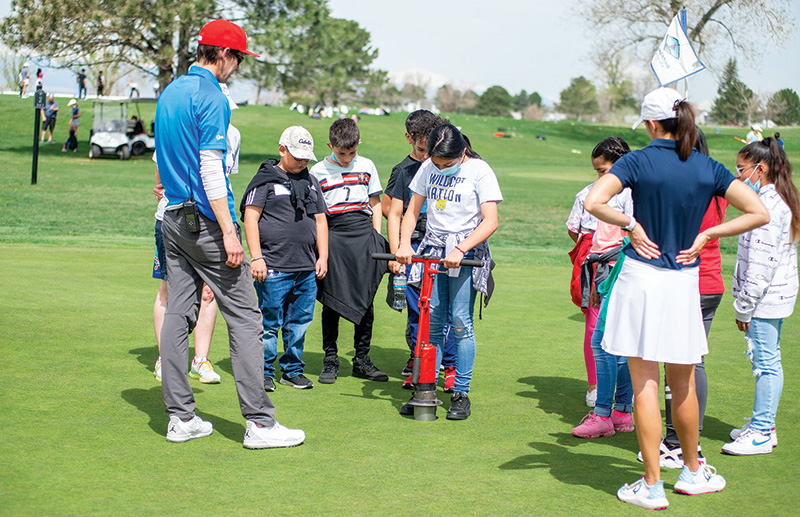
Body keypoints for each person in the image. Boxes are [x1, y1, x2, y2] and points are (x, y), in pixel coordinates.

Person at [584, 87, 768, 510]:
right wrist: (708, 235)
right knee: (681, 381)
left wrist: (631, 225)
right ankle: (691, 470)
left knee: (646, 381)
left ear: (651, 124)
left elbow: (595, 201)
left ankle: (652, 484)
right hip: (684, 281)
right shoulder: (709, 166)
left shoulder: (636, 160)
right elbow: (760, 212)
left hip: (640, 277)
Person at [154, 18, 304, 448]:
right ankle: (259, 422)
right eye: (237, 57)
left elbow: (166, 153)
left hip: (172, 218)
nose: (237, 66)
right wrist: (229, 231)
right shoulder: (212, 97)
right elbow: (210, 170)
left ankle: (181, 417)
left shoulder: (171, 91)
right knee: (246, 316)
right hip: (204, 220)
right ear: (222, 54)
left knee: (179, 310)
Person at [396, 124, 503, 421]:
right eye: (437, 163)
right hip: (432, 251)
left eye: (447, 164)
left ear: (462, 153)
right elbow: (412, 211)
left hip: (465, 252)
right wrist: (405, 243)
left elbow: (490, 220)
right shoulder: (428, 167)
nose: (440, 168)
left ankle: (461, 392)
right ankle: (426, 388)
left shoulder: (480, 171)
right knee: (432, 320)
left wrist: (461, 249)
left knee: (460, 321)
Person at [645, 128, 728, 468]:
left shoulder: (690, 182)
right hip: (710, 280)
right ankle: (681, 442)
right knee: (691, 362)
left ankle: (678, 443)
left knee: (680, 365)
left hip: (686, 280)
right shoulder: (716, 178)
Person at [722, 137, 799, 456]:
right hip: (774, 296)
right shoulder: (779, 197)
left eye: (741, 170)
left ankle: (762, 430)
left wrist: (744, 307)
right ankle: (763, 423)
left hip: (766, 298)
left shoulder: (767, 205)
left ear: (760, 169)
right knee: (767, 359)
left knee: (766, 362)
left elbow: (761, 265)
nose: (738, 177)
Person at [242, 126, 328, 392]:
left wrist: (323, 255)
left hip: (306, 266)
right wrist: (256, 258)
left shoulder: (311, 182)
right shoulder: (266, 180)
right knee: (269, 322)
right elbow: (250, 217)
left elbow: (321, 220)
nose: (302, 161)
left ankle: (292, 370)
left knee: (300, 322)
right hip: (273, 267)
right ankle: (264, 371)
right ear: (282, 150)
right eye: (297, 156)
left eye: (306, 157)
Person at [309, 118, 390, 385]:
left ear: (359, 145)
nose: (346, 158)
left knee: (365, 298)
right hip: (333, 236)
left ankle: (362, 360)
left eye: (352, 152)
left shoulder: (367, 165)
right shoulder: (317, 171)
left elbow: (375, 203)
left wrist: (377, 237)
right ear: (330, 145)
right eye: (341, 153)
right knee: (332, 301)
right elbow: (317, 215)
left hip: (363, 234)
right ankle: (330, 359)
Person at [385, 110, 457, 392]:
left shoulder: (450, 166)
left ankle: (449, 365)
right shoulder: (403, 171)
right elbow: (393, 213)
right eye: (421, 146)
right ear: (410, 139)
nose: (427, 152)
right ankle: (419, 364)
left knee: (446, 311)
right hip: (413, 245)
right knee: (418, 312)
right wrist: (396, 252)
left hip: (445, 246)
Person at [571, 137, 634, 439]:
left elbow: (626, 240)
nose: (600, 177)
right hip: (606, 266)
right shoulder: (609, 191)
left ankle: (605, 413)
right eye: (597, 171)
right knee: (614, 342)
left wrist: (606, 277)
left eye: (604, 170)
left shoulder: (626, 192)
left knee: (605, 342)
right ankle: (620, 412)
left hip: (619, 267)